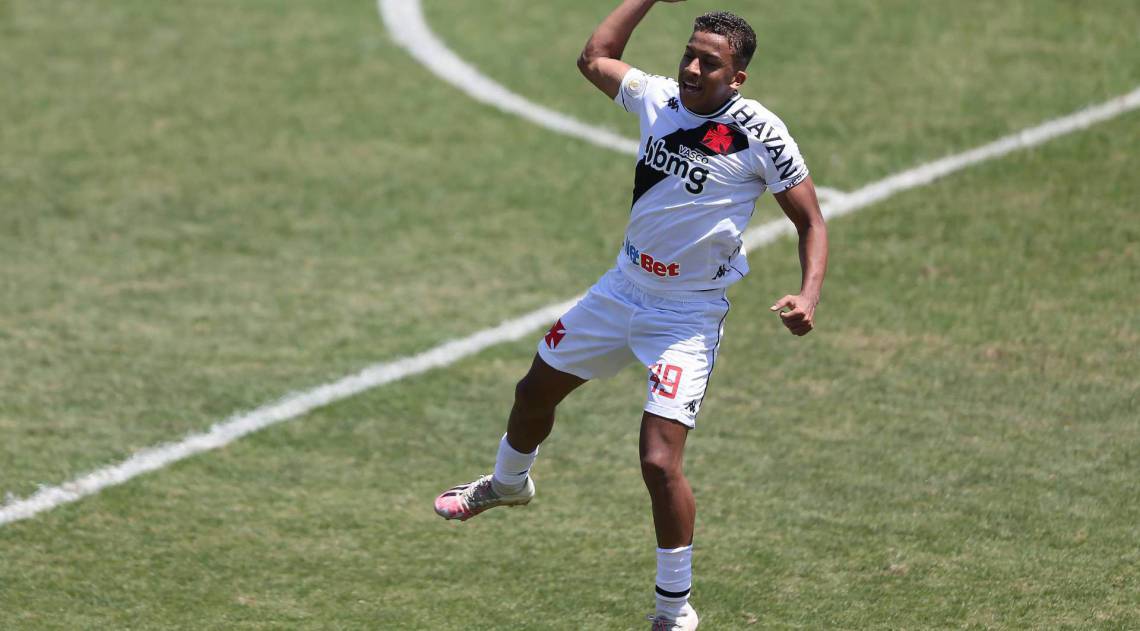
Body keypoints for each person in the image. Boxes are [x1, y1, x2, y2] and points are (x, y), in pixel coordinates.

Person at [434, 1, 828, 628]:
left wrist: (808, 294)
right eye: (689, 55)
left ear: (737, 77)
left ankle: (674, 609)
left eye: (709, 63)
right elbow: (594, 57)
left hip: (687, 316)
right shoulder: (658, 97)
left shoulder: (761, 134)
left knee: (659, 462)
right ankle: (509, 484)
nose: (692, 68)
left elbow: (810, 221)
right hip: (621, 290)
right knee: (533, 391)